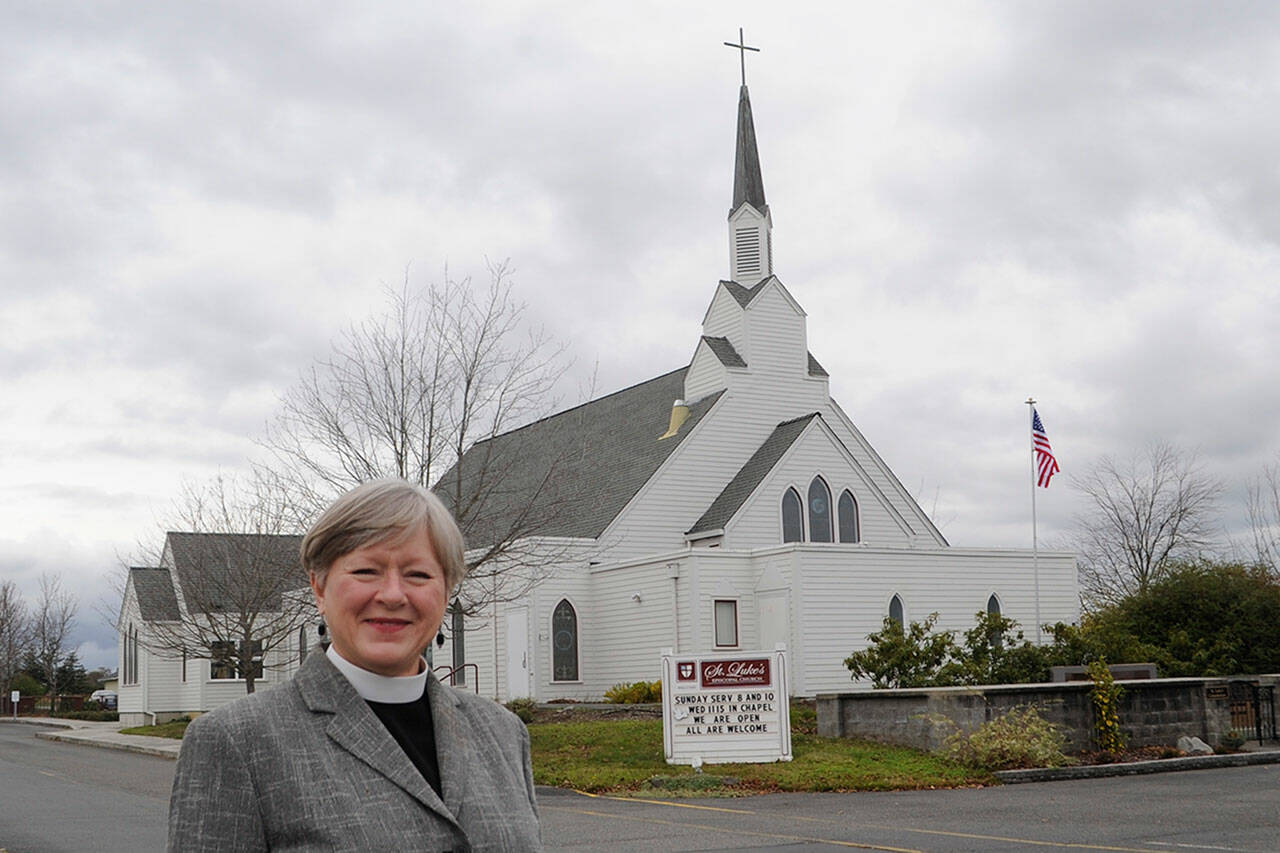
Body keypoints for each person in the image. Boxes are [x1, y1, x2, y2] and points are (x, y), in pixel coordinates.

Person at [167, 479, 542, 851]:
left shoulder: (503, 733)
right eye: (366, 571)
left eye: (418, 575)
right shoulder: (235, 742)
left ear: (445, 592)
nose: (393, 594)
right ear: (319, 588)